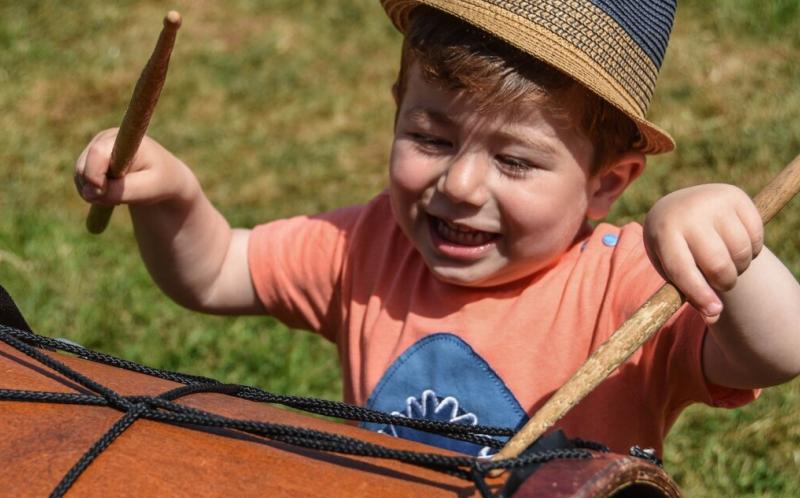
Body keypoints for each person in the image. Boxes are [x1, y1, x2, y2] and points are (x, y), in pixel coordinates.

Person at [74, 0, 800, 457]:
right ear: (395, 108)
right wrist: (171, 195)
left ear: (606, 185)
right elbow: (214, 272)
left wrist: (727, 247)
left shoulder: (629, 282)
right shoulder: (370, 247)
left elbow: (779, 348)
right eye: (431, 137)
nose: (460, 185)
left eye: (515, 161)